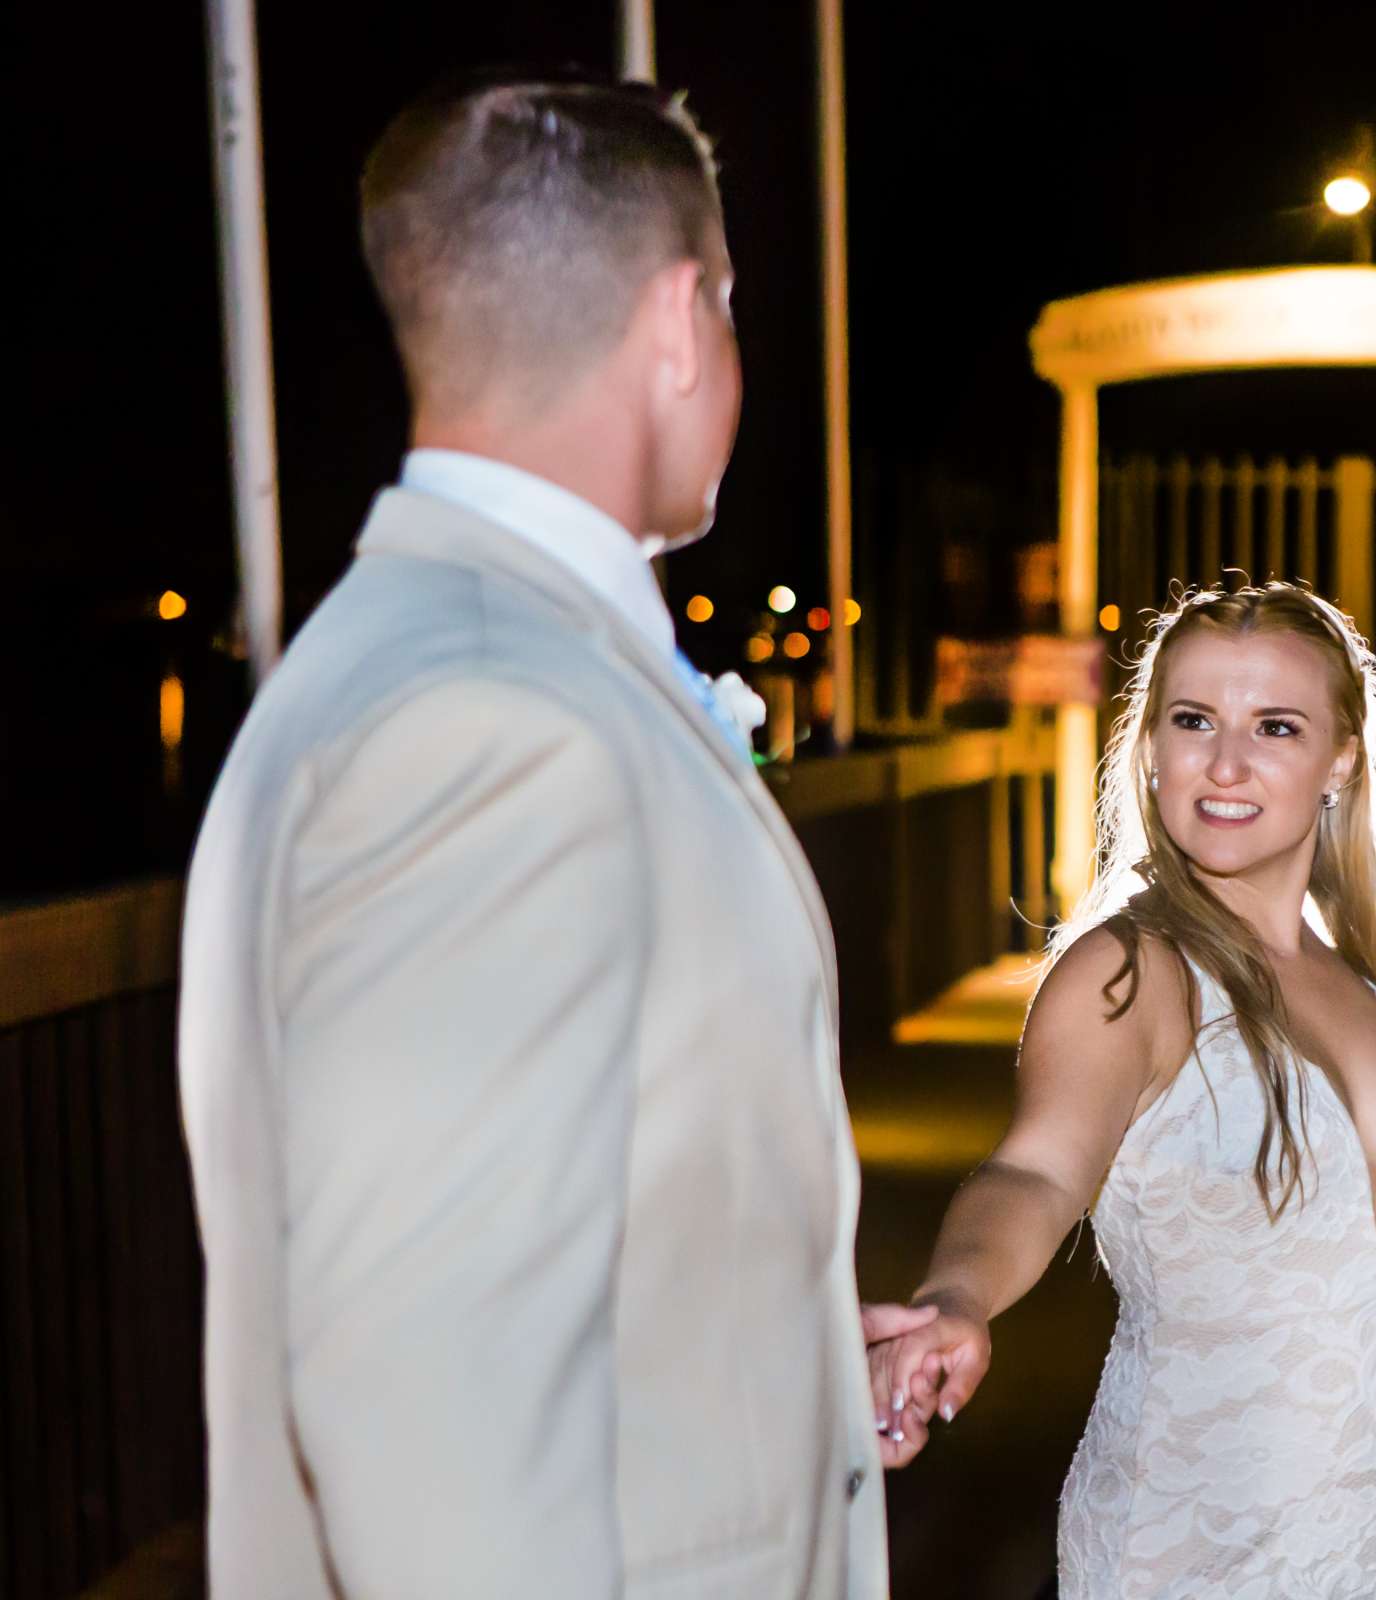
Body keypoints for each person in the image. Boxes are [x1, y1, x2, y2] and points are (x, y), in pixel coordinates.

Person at [177, 75, 930, 1598]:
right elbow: (427, 1407)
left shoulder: (402, 657)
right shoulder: (491, 725)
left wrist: (757, 1355)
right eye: (730, 308)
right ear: (677, 318)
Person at [867, 583, 1376, 1598]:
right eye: (1193, 719)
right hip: (1194, 1552)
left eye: (1274, 726)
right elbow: (1032, 1170)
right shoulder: (1128, 974)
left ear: (1339, 760)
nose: (1226, 763)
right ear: (1150, 745)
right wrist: (957, 1296)